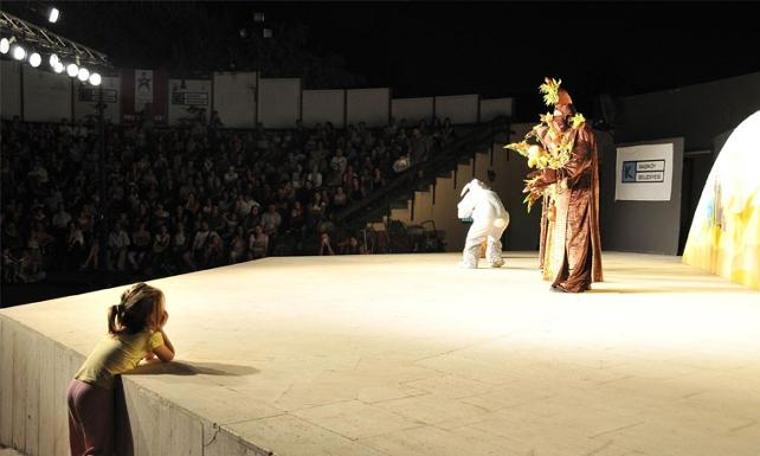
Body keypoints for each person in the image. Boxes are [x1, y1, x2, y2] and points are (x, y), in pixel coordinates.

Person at [67, 282, 175, 455]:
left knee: (79, 447)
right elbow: (169, 356)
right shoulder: (149, 336)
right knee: (98, 450)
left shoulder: (116, 331)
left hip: (76, 385)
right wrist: (159, 328)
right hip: (94, 391)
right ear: (152, 317)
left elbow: (147, 355)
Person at [526, 82, 603, 292]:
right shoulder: (557, 134)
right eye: (553, 113)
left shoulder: (581, 131)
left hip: (578, 192)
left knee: (575, 236)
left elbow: (579, 162)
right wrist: (544, 176)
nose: (555, 118)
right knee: (561, 235)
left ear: (568, 112)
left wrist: (554, 175)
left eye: (558, 112)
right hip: (562, 193)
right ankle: (565, 275)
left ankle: (576, 279)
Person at [457, 178, 510, 268]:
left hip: (486, 216)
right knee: (494, 238)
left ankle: (470, 262)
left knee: (473, 239)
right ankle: (494, 259)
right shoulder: (491, 193)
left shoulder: (473, 195)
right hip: (503, 218)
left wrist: (471, 215)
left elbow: (462, 214)